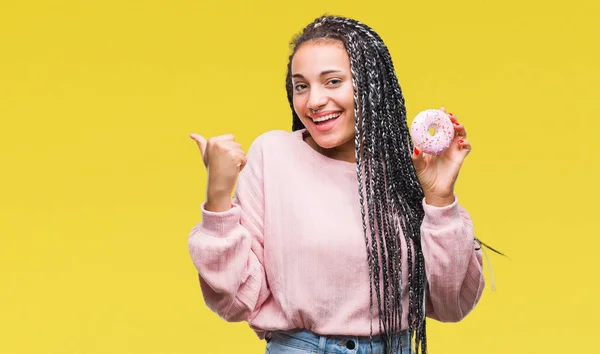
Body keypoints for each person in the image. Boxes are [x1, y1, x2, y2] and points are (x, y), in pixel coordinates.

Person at [187, 15, 484, 354]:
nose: (313, 101)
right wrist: (218, 196)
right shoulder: (273, 154)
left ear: (371, 87)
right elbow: (237, 299)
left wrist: (440, 197)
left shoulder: (409, 168)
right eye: (301, 85)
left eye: (332, 82)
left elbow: (450, 304)